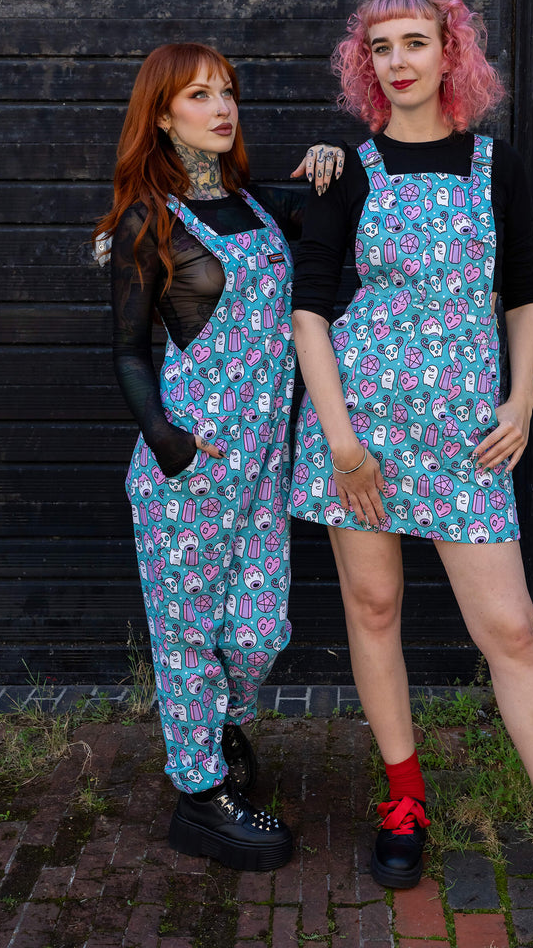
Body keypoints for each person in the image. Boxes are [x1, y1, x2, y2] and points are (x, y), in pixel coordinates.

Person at [289, 0, 533, 939]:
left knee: (512, 629)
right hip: (358, 428)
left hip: (465, 436)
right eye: (380, 46)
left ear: (453, 54)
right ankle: (403, 799)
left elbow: (523, 293)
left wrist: (522, 399)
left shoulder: (496, 164)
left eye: (417, 41)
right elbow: (311, 309)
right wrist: (338, 440)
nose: (398, 60)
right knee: (373, 609)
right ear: (362, 64)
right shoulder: (349, 169)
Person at [96, 42, 342, 872]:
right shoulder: (150, 220)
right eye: (199, 96)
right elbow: (130, 351)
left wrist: (331, 162)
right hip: (189, 472)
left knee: (259, 631)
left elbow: (343, 206)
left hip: (263, 469)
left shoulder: (260, 206)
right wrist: (166, 442)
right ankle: (201, 797)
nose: (220, 107)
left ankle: (217, 732)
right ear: (162, 115)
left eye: (227, 92)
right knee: (185, 636)